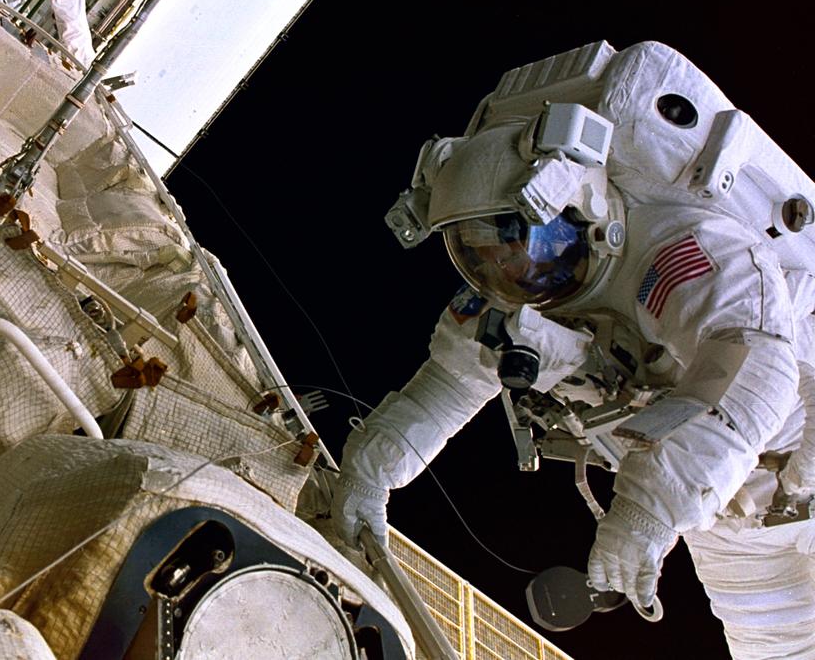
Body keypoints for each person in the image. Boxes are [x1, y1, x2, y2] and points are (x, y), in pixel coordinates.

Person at [332, 41, 815, 659]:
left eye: (518, 241)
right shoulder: (512, 295)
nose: (509, 266)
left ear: (579, 207)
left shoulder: (679, 251)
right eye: (479, 251)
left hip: (779, 452)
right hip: (730, 518)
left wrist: (645, 509)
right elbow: (447, 386)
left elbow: (754, 366)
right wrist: (369, 477)